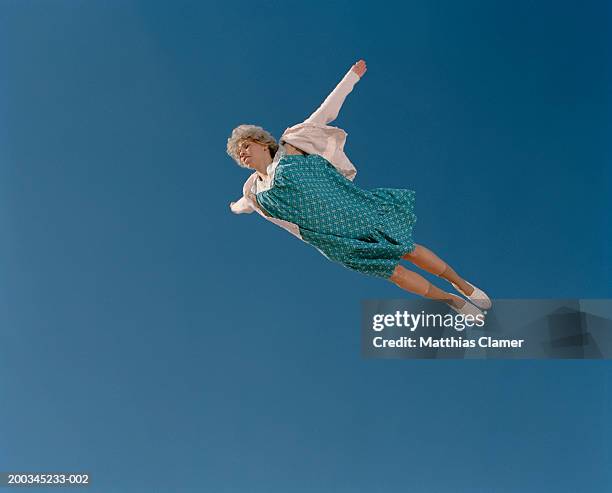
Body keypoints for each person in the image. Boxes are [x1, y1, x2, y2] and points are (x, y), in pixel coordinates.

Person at [227, 59, 491, 316]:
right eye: (239, 154)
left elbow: (325, 113)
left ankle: (461, 284)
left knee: (407, 249)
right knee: (395, 274)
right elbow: (244, 205)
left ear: (262, 142)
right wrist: (236, 207)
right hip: (331, 238)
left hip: (352, 210)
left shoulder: (291, 146)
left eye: (246, 146)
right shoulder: (253, 192)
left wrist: (350, 78)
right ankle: (450, 299)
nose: (243, 154)